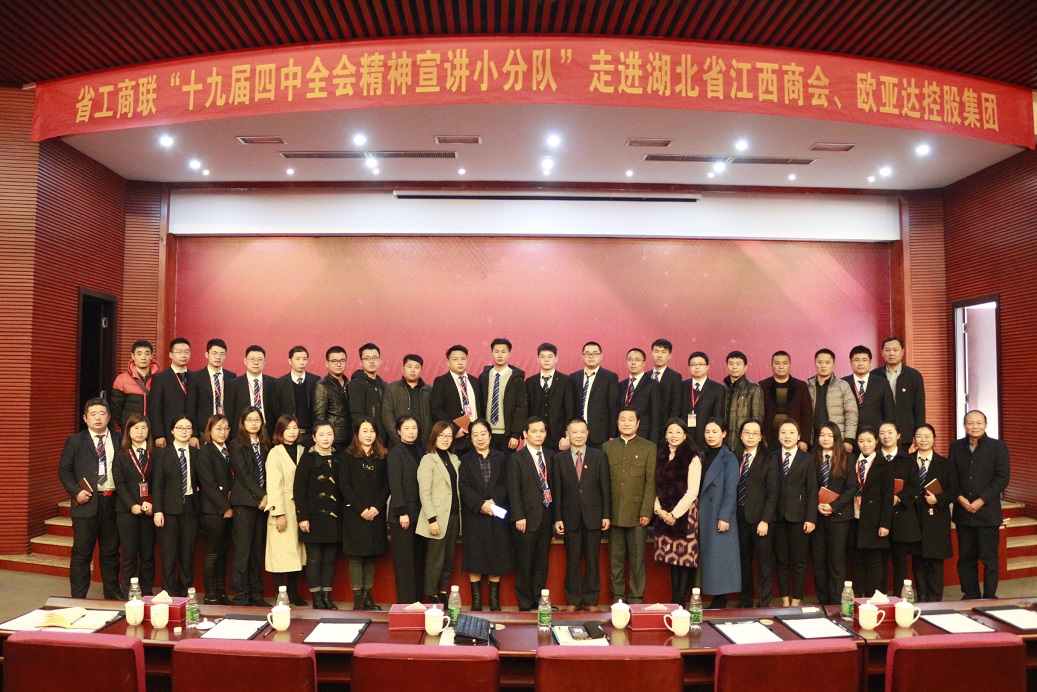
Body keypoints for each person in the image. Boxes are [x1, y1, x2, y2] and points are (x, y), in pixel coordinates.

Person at [58, 398, 121, 599]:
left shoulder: (120, 439)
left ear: (109, 417)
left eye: (102, 413)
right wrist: (76, 491)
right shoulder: (75, 441)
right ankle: (78, 598)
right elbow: (64, 470)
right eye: (93, 414)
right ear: (85, 418)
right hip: (85, 503)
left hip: (113, 502)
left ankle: (112, 596)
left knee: (111, 553)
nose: (98, 418)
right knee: (81, 554)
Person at [552, 417, 610, 611]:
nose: (578, 435)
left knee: (593, 560)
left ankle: (591, 601)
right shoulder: (559, 459)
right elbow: (557, 491)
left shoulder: (599, 456)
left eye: (582, 431)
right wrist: (557, 518)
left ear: (588, 433)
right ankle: (573, 600)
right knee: (572, 560)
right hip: (569, 517)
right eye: (574, 432)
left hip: (594, 516)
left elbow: (605, 488)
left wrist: (606, 515)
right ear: (567, 434)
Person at [951, 410, 1010, 599]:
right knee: (966, 558)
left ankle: (990, 596)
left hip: (987, 513)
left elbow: (1002, 478)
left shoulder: (998, 447)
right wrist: (959, 497)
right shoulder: (955, 447)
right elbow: (951, 476)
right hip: (963, 512)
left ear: (985, 424)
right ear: (964, 425)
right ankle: (970, 594)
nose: (974, 426)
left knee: (989, 558)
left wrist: (981, 500)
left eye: (978, 423)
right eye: (970, 423)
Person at [459, 419, 515, 611]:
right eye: (475, 435)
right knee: (474, 557)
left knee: (496, 556)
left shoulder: (502, 458)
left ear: (490, 436)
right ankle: (476, 601)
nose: (480, 438)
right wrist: (480, 504)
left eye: (483, 434)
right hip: (474, 515)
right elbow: (464, 487)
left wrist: (493, 501)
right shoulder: (465, 460)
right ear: (471, 438)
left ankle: (494, 601)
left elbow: (507, 483)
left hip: (496, 513)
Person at [604, 407, 656, 604]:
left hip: (637, 514)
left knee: (637, 559)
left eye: (630, 419)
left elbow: (650, 482)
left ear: (638, 423)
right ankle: (617, 596)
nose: (626, 423)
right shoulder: (607, 447)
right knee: (615, 558)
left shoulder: (649, 447)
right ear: (617, 422)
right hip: (614, 512)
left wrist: (646, 511)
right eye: (622, 419)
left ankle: (636, 597)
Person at [340, 415, 390, 610]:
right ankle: (358, 599)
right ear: (357, 434)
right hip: (355, 513)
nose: (369, 435)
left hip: (376, 513)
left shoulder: (382, 456)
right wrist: (362, 509)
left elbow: (387, 485)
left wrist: (377, 507)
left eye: (372, 431)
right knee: (356, 556)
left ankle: (368, 596)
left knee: (371, 556)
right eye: (365, 431)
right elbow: (345, 486)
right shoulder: (348, 456)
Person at [507, 417, 555, 610]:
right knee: (525, 562)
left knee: (542, 562)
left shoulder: (551, 456)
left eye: (542, 431)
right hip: (525, 519)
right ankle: (525, 603)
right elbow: (513, 490)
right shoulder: (516, 458)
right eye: (534, 431)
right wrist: (518, 516)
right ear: (525, 434)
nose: (538, 435)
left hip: (546, 516)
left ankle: (538, 600)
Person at [653, 419, 701, 607]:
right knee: (673, 558)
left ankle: (680, 601)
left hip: (685, 514)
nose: (674, 435)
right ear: (665, 435)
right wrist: (660, 511)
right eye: (670, 432)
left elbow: (692, 491)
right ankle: (675, 600)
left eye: (678, 432)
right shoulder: (660, 455)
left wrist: (674, 515)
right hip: (664, 512)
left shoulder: (692, 457)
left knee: (685, 559)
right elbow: (655, 486)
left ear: (685, 435)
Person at [295, 421, 342, 609]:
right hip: (313, 517)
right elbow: (299, 490)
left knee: (329, 560)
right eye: (321, 435)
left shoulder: (339, 457)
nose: (325, 438)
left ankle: (327, 596)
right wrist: (302, 517)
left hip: (334, 518)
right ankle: (316, 596)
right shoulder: (307, 459)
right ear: (314, 437)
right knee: (314, 559)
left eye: (329, 434)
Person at [152, 416, 200, 597]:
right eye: (180, 427)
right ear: (172, 430)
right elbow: (157, 484)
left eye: (188, 428)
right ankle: (169, 595)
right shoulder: (162, 454)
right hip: (168, 511)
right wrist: (158, 510)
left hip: (191, 508)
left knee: (188, 555)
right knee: (169, 556)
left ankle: (185, 595)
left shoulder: (197, 453)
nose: (184, 431)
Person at [771, 419, 816, 607]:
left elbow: (812, 490)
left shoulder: (808, 459)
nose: (787, 436)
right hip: (778, 517)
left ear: (799, 436)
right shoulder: (773, 457)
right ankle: (784, 600)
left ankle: (796, 600)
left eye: (791, 433)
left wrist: (811, 518)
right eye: (783, 432)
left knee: (799, 562)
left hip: (800, 517)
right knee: (781, 561)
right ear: (778, 436)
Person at [811, 423, 857, 606]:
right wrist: (817, 505)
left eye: (830, 435)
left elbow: (851, 487)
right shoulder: (812, 457)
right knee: (819, 561)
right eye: (822, 435)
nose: (825, 439)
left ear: (837, 437)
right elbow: (808, 486)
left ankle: (836, 603)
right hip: (817, 516)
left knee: (836, 561)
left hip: (839, 517)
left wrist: (833, 506)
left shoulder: (847, 458)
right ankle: (822, 600)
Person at [417, 421, 463, 606]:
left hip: (454, 515)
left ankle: (443, 590)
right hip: (436, 517)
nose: (445, 439)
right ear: (434, 437)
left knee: (449, 558)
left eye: (449, 436)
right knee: (435, 559)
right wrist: (432, 519)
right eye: (441, 435)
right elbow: (424, 492)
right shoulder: (428, 460)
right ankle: (431, 594)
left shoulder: (454, 459)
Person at [228, 406, 271, 606]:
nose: (254, 423)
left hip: (262, 505)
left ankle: (256, 595)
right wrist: (262, 495)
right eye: (250, 420)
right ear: (243, 423)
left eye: (257, 420)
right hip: (245, 503)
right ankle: (241, 596)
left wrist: (266, 497)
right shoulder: (236, 444)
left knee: (256, 552)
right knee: (242, 552)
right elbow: (243, 474)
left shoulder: (265, 444)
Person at [734, 418, 778, 608]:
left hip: (761, 519)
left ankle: (764, 602)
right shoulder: (735, 456)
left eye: (754, 433)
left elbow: (773, 493)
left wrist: (765, 520)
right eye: (747, 432)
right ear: (741, 435)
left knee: (764, 563)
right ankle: (745, 599)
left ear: (760, 437)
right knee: (743, 561)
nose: (750, 436)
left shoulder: (769, 458)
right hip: (739, 517)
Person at [698, 418, 742, 608]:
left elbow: (731, 489)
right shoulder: (701, 455)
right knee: (708, 556)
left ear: (724, 434)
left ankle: (720, 598)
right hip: (702, 512)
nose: (710, 435)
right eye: (707, 431)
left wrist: (724, 516)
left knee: (719, 556)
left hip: (718, 513)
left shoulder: (729, 458)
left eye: (715, 432)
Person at [112, 413, 156, 599]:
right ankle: (128, 594)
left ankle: (147, 593)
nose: (140, 432)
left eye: (144, 428)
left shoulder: (156, 453)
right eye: (136, 428)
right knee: (129, 556)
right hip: (127, 512)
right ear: (128, 431)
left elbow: (159, 482)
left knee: (148, 556)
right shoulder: (121, 455)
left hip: (149, 511)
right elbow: (120, 483)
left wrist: (152, 503)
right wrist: (132, 505)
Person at [265, 415, 307, 606]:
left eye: (295, 427)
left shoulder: (303, 450)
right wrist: (278, 513)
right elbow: (273, 485)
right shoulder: (275, 453)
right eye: (287, 428)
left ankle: (294, 592)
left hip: (299, 506)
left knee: (296, 551)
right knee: (280, 552)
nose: (292, 432)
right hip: (282, 505)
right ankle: (279, 593)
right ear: (280, 431)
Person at [912, 424, 956, 602]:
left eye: (927, 436)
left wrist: (937, 499)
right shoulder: (907, 461)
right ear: (914, 440)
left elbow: (954, 490)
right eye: (919, 436)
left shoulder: (945, 463)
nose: (923, 440)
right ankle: (921, 595)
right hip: (914, 516)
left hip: (936, 516)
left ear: (934, 439)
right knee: (917, 559)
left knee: (936, 561)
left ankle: (935, 598)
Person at [387, 415, 427, 604]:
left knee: (418, 561)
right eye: (407, 428)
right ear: (398, 431)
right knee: (404, 564)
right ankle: (406, 604)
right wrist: (402, 512)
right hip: (402, 516)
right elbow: (395, 484)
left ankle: (418, 602)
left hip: (420, 514)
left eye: (414, 428)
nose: (411, 432)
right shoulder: (395, 453)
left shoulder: (421, 451)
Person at [849, 427, 894, 596]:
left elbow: (888, 497)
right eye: (861, 441)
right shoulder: (852, 462)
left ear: (876, 441)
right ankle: (861, 595)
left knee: (874, 560)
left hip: (874, 519)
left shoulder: (884, 465)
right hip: (854, 517)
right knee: (857, 559)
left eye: (869, 441)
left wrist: (885, 524)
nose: (865, 445)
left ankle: (873, 596)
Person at [195, 414, 234, 604]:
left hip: (229, 508)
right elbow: (208, 484)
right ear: (209, 431)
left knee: (223, 552)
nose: (223, 432)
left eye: (226, 428)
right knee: (212, 552)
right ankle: (210, 594)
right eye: (218, 428)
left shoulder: (230, 450)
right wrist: (224, 507)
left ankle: (221, 592)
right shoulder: (205, 452)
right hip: (213, 510)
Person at [882, 421, 922, 594]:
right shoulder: (874, 458)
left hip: (902, 516)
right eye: (882, 433)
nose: (886, 436)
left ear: (898, 435)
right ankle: (879, 596)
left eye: (890, 432)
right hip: (878, 517)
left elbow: (915, 486)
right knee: (879, 560)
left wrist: (898, 497)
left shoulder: (908, 459)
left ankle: (899, 597)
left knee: (900, 561)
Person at [876, 337, 926, 454]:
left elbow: (919, 408)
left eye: (895, 350)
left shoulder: (914, 376)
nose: (891, 353)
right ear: (882, 352)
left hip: (905, 434)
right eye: (887, 350)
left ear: (902, 351)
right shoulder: (874, 375)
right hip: (880, 434)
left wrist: (918, 433)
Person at [430, 344, 482, 456]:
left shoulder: (475, 381)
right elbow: (436, 409)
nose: (460, 362)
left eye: (463, 359)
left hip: (475, 437)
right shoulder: (441, 381)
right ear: (448, 362)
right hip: (455, 438)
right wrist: (453, 430)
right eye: (455, 359)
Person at [479, 338, 528, 454]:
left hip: (507, 435)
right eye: (496, 351)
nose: (499, 355)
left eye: (503, 352)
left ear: (509, 354)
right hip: (486, 433)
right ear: (491, 353)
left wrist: (515, 435)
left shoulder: (516, 378)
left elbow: (521, 408)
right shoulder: (484, 377)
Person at [759, 350, 813, 451]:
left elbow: (807, 415)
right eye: (777, 363)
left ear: (790, 365)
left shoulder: (801, 386)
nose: (781, 366)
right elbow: (758, 414)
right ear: (771, 365)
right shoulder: (762, 386)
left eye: (784, 363)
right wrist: (761, 438)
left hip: (793, 439)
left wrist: (804, 440)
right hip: (769, 439)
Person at [525, 343, 574, 452]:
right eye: (542, 357)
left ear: (556, 359)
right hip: (536, 436)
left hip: (558, 438)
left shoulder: (565, 381)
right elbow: (526, 410)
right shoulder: (530, 382)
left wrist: (566, 436)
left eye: (550, 356)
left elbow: (570, 409)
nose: (546, 360)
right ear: (538, 359)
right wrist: (526, 436)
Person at [570, 341, 620, 448]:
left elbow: (613, 407)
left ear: (601, 356)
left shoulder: (610, 377)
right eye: (587, 353)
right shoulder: (574, 377)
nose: (591, 356)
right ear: (582, 356)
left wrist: (612, 435)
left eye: (595, 353)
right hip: (577, 433)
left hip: (600, 435)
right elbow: (570, 406)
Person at [807, 349, 857, 451]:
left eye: (827, 362)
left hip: (837, 441)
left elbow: (851, 413)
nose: (823, 366)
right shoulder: (808, 386)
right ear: (815, 363)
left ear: (833, 364)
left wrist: (848, 439)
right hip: (813, 441)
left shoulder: (842, 385)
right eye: (820, 362)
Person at [186, 338, 237, 440]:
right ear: (207, 354)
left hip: (226, 430)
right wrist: (193, 434)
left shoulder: (231, 376)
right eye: (214, 353)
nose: (218, 357)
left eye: (222, 354)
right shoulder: (196, 377)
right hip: (204, 430)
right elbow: (191, 407)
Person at [148, 338, 192, 447]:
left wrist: (195, 434)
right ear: (171, 355)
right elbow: (155, 408)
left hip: (190, 433)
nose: (183, 355)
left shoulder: (195, 377)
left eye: (186, 352)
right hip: (168, 433)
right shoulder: (160, 378)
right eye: (179, 352)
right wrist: (159, 435)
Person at [382, 354, 433, 449]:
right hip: (398, 444)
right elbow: (387, 417)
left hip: (423, 444)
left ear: (421, 370)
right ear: (403, 368)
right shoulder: (392, 388)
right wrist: (399, 440)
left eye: (416, 367)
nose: (413, 370)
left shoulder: (429, 390)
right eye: (409, 366)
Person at [226, 345, 281, 431]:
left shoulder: (274, 383)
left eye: (260, 359)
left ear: (264, 361)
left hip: (267, 431)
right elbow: (230, 413)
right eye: (252, 359)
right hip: (242, 432)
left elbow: (277, 411)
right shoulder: (234, 384)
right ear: (245, 360)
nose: (256, 362)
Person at [681, 351, 728, 451]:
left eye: (701, 364)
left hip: (705, 438)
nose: (697, 367)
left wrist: (712, 434)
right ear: (689, 367)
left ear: (707, 367)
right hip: (684, 436)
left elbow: (718, 415)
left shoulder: (717, 388)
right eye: (693, 364)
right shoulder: (681, 386)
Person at [110, 340, 159, 432]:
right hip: (131, 430)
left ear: (151, 356)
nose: (143, 358)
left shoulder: (160, 378)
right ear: (133, 356)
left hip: (154, 430)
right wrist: (126, 426)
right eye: (139, 354)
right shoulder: (122, 379)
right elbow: (116, 408)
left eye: (147, 354)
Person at [843, 345, 894, 433]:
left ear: (870, 362)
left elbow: (889, 413)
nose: (860, 363)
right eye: (856, 360)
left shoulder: (882, 383)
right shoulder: (843, 383)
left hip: (875, 435)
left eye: (864, 360)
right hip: (849, 435)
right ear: (850, 362)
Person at [276, 346, 320, 448]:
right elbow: (276, 410)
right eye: (297, 359)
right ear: (290, 361)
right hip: (288, 435)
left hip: (310, 434)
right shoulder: (280, 383)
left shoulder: (315, 380)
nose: (301, 362)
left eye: (304, 359)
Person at [723, 351, 763, 457]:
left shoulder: (754, 388)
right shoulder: (721, 388)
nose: (734, 367)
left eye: (738, 364)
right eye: (731, 364)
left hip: (744, 441)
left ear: (745, 367)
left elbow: (757, 418)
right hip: (723, 441)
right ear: (727, 366)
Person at [617, 348, 662, 443]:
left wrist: (653, 442)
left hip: (644, 435)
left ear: (644, 363)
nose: (633, 363)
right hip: (622, 435)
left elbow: (656, 416)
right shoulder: (621, 385)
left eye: (637, 360)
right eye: (630, 359)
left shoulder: (653, 385)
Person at [349, 343, 388, 444]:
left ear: (380, 361)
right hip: (367, 438)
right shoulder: (356, 384)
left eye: (374, 358)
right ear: (361, 363)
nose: (371, 361)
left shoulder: (383, 384)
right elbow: (357, 414)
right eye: (367, 358)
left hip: (383, 437)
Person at [314, 346, 351, 449]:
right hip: (334, 440)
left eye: (342, 361)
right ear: (327, 363)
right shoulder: (322, 386)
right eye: (334, 361)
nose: (339, 364)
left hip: (351, 439)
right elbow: (319, 417)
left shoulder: (350, 384)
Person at [649, 339, 684, 424]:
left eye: (663, 352)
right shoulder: (645, 376)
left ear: (669, 356)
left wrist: (670, 424)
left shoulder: (675, 377)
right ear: (651, 354)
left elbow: (676, 405)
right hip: (646, 424)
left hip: (665, 423)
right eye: (656, 351)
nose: (659, 355)